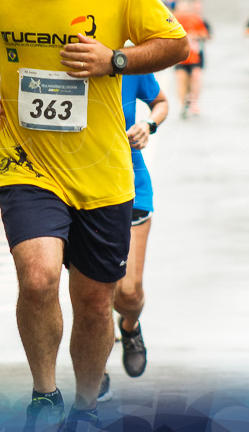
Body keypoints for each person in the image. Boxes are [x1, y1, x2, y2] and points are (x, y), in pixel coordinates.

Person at [0, 0, 189, 429]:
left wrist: (117, 60)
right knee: (37, 279)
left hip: (104, 173)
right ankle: (43, 395)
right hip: (26, 164)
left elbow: (176, 43)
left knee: (93, 302)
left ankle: (84, 407)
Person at [98, 73, 169, 402]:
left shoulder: (129, 62)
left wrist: (149, 125)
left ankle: (129, 328)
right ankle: (95, 370)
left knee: (127, 292)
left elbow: (161, 102)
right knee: (92, 293)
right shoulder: (60, 57)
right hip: (73, 185)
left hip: (130, 184)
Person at [172, 0, 211, 118]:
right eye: (181, 9)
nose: (183, 12)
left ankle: (193, 101)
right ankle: (183, 104)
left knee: (195, 77)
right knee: (181, 79)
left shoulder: (195, 19)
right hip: (180, 57)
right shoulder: (173, 20)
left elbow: (206, 34)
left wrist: (195, 34)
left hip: (195, 56)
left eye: (185, 9)